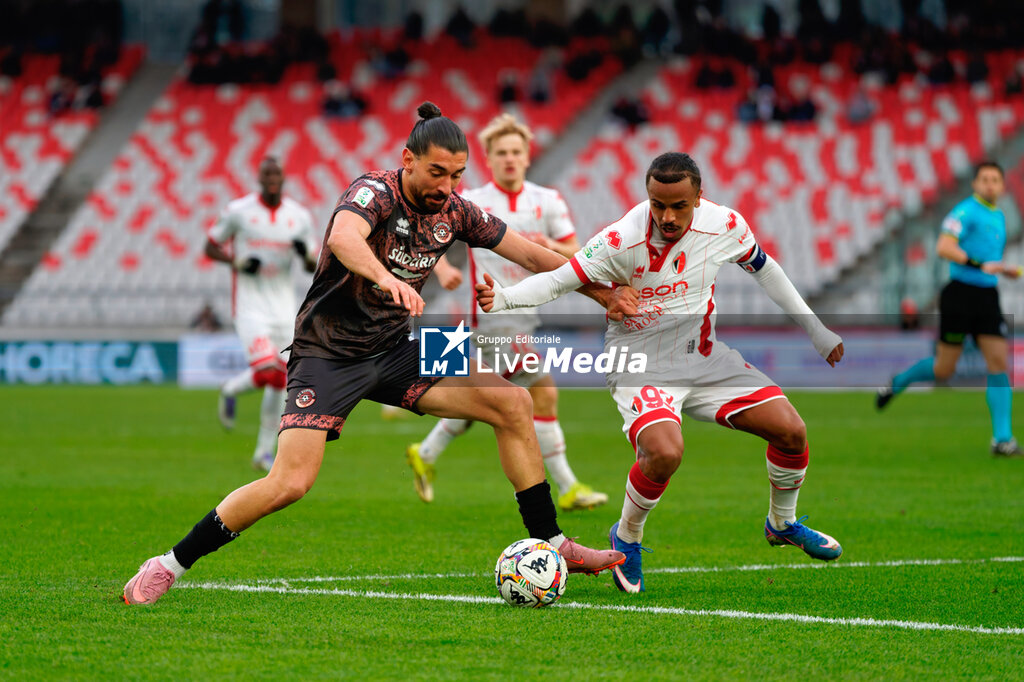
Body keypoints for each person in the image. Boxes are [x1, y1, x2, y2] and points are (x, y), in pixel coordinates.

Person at [122, 102, 626, 605]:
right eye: (436, 172)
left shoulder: (457, 210)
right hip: (328, 352)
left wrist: (604, 296)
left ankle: (553, 542)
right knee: (290, 483)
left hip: (401, 342)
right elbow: (344, 237)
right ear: (407, 159)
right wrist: (385, 277)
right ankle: (168, 564)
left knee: (513, 403)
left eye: (456, 175)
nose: (446, 186)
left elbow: (533, 255)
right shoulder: (374, 191)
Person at [475, 152, 846, 594]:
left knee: (791, 431)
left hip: (705, 357)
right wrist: (506, 298)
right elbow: (562, 277)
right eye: (657, 205)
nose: (667, 217)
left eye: (678, 206)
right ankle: (627, 536)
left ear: (699, 198)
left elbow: (766, 271)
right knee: (665, 452)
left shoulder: (725, 225)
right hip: (640, 363)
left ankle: (782, 524)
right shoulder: (621, 238)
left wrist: (816, 329)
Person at [406, 113, 608, 511]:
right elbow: (433, 239)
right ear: (489, 158)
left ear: (527, 155)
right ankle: (567, 487)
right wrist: (445, 269)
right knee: (542, 392)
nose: (510, 159)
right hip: (489, 315)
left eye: (516, 151)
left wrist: (544, 241)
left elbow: (574, 250)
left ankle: (425, 453)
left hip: (526, 312)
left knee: (483, 400)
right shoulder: (474, 202)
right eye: (501, 153)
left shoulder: (546, 200)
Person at [876, 162, 1022, 457]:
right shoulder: (964, 212)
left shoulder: (999, 215)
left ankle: (1002, 439)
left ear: (1002, 186)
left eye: (996, 179)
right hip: (960, 296)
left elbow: (988, 259)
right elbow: (943, 247)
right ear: (975, 184)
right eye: (985, 179)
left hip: (987, 297)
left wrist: (1001, 270)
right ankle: (899, 381)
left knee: (998, 362)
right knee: (945, 368)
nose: (990, 184)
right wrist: (979, 265)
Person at [204, 157, 318, 471]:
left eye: (276, 173)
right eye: (266, 173)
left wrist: (303, 255)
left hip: (284, 308)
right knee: (271, 373)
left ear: (283, 177)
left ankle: (262, 453)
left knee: (282, 382)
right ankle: (230, 389)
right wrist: (236, 263)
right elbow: (210, 245)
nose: (271, 178)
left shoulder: (299, 217)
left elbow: (313, 264)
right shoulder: (239, 212)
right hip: (250, 306)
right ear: (259, 177)